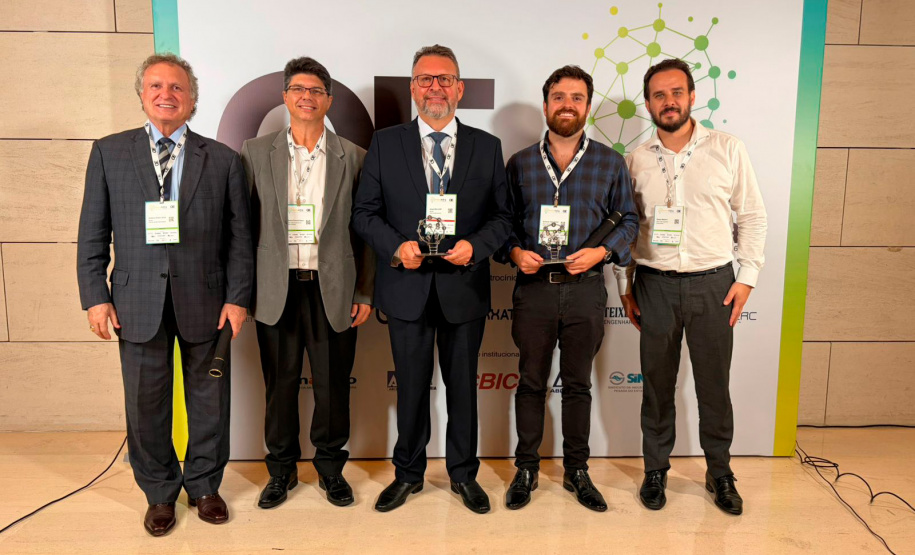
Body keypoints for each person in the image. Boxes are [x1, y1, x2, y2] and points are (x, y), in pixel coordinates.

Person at [77, 53, 253, 536]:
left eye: (176, 87)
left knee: (210, 402)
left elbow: (240, 239)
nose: (166, 94)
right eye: (156, 86)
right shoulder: (109, 153)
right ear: (141, 94)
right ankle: (159, 492)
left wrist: (238, 299)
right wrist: (95, 296)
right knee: (145, 404)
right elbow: (93, 233)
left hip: (208, 302)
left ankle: (203, 487)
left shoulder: (222, 160)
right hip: (135, 304)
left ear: (192, 98)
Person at [352, 44, 511, 514]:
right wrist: (396, 247)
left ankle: (463, 476)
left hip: (464, 290)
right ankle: (409, 474)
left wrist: (476, 247)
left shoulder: (487, 147)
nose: (435, 87)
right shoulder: (386, 143)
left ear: (460, 89)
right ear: (412, 89)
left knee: (463, 390)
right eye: (426, 79)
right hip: (407, 289)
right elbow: (364, 214)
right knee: (412, 388)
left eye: (444, 79)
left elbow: (503, 218)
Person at [616, 58, 767, 516]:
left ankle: (719, 471)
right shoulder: (635, 159)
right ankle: (655, 469)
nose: (669, 102)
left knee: (713, 388)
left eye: (676, 92)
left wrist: (747, 278)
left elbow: (753, 216)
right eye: (659, 95)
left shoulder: (727, 148)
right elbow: (626, 227)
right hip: (655, 285)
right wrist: (625, 284)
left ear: (692, 97)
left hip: (714, 286)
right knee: (657, 387)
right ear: (648, 103)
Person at [501, 65, 638, 512]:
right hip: (534, 290)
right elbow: (502, 224)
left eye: (576, 98)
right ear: (546, 105)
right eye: (559, 97)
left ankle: (577, 470)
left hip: (585, 290)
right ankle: (526, 469)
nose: (567, 105)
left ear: (587, 106)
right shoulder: (519, 162)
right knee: (531, 383)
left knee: (578, 384)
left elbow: (629, 220)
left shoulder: (609, 162)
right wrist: (515, 253)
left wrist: (603, 253)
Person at [240, 57, 374, 509]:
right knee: (279, 386)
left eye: (316, 90)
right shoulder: (256, 153)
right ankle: (280, 473)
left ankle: (331, 471)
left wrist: (364, 292)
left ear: (328, 100)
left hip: (331, 289)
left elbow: (366, 234)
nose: (306, 96)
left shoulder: (353, 156)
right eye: (298, 88)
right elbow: (243, 229)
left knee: (333, 387)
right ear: (284, 96)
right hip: (275, 290)